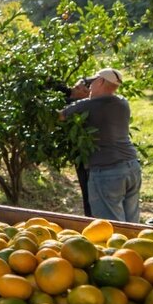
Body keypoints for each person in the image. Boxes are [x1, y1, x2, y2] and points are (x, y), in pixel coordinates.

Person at [59, 67, 142, 223]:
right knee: (132, 225)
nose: (89, 86)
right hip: (131, 167)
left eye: (92, 82)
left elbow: (59, 116)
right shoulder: (123, 102)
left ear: (101, 81)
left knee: (110, 227)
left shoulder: (89, 105)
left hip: (107, 172)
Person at [66, 76, 93, 216]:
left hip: (88, 157)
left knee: (91, 195)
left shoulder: (85, 107)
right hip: (80, 156)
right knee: (87, 193)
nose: (73, 90)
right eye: (75, 86)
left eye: (78, 89)